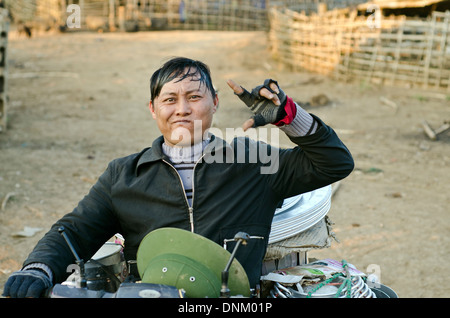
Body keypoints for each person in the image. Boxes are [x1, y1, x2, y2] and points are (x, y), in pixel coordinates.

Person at [2, 57, 354, 298]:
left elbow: (334, 163)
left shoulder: (251, 161)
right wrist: (37, 269)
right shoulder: (123, 175)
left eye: (194, 97)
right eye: (169, 99)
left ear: (215, 102)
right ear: (153, 109)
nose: (182, 108)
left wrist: (290, 117)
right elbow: (75, 230)